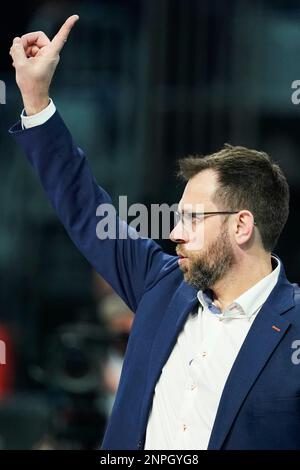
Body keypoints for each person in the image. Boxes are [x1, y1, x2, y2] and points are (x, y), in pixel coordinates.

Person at [8, 15, 300, 450]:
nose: (174, 232)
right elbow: (84, 207)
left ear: (241, 226)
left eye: (192, 219)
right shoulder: (159, 285)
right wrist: (36, 98)